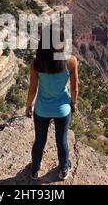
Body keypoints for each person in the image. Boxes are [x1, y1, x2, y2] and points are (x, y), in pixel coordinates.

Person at [25, 27, 79, 181]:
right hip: (62, 110)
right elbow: (75, 88)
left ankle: (35, 170)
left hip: (41, 110)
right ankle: (63, 169)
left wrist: (28, 106)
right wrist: (74, 104)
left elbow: (32, 89)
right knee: (61, 140)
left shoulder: (36, 64)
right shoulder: (71, 61)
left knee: (39, 141)